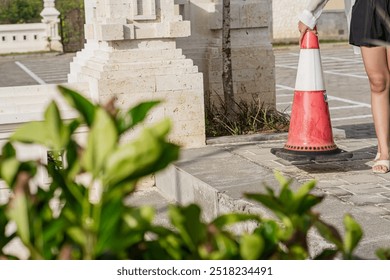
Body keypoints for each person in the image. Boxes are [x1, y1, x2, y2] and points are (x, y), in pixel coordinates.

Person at [298, 0, 390, 174]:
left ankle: (385, 148)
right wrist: (309, 14)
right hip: (368, 8)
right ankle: (384, 150)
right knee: (378, 82)